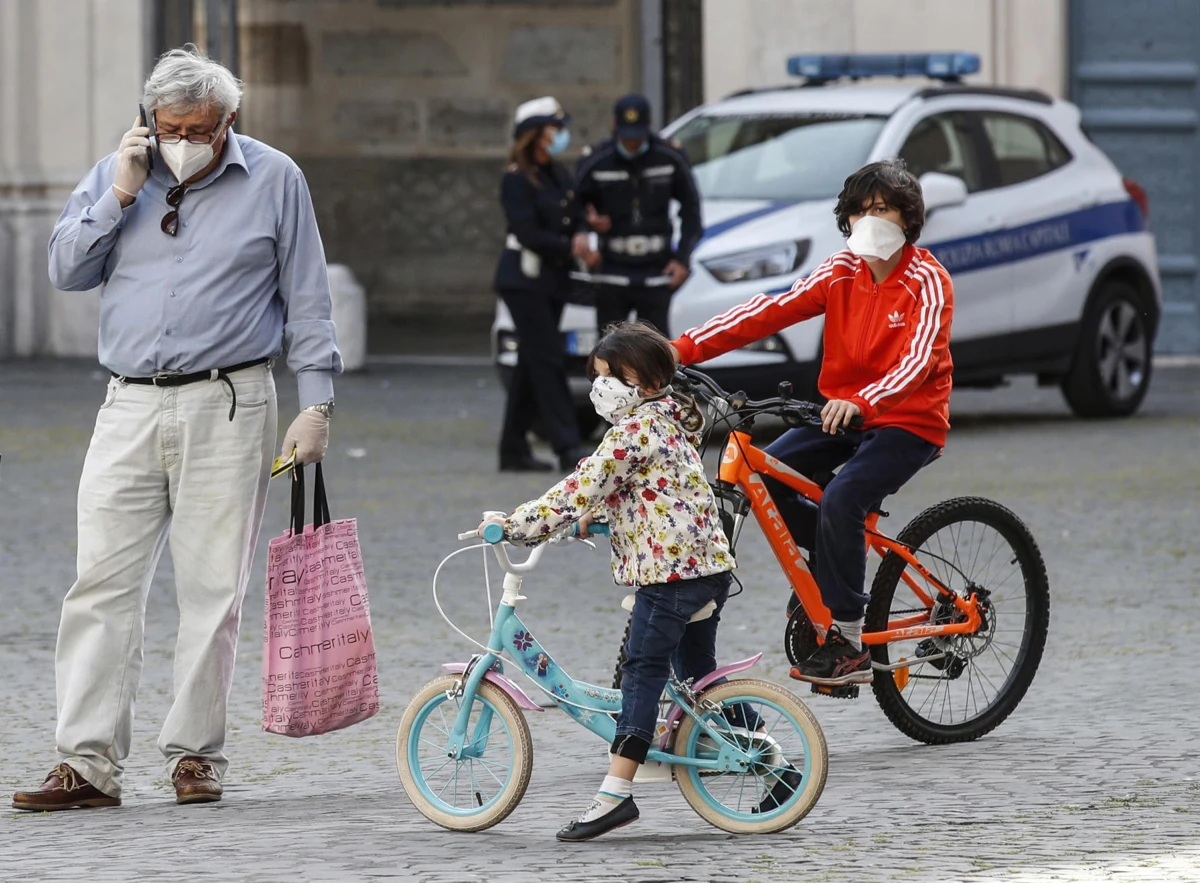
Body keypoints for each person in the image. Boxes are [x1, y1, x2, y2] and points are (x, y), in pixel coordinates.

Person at [11, 46, 341, 812]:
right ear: (145, 120)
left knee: (212, 587)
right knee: (99, 585)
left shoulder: (276, 179)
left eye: (201, 126)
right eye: (169, 125)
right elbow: (65, 269)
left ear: (231, 121)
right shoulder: (114, 173)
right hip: (127, 403)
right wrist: (120, 196)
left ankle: (197, 754)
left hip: (230, 401)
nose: (185, 138)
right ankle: (85, 764)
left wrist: (316, 404)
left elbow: (309, 297)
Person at [670, 159, 954, 686]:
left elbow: (919, 360)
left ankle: (848, 638)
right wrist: (682, 349)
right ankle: (832, 564)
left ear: (908, 219)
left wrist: (866, 400)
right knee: (769, 473)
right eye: (861, 210)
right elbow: (769, 310)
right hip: (841, 412)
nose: (872, 219)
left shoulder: (927, 280)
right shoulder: (841, 270)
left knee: (844, 497)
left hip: (907, 420)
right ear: (846, 218)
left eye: (884, 208)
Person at [479, 322, 736, 841]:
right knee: (697, 674)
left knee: (642, 671)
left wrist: (516, 525)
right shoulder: (670, 418)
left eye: (606, 377)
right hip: (707, 568)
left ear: (638, 380)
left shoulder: (631, 432)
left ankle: (616, 793)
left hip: (670, 575)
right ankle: (767, 762)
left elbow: (579, 488)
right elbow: (648, 489)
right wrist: (596, 518)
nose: (599, 388)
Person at [494, 97, 596, 472]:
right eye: (554, 129)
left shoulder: (556, 172)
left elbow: (573, 213)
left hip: (552, 280)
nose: (560, 136)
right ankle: (568, 446)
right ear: (535, 135)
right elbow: (528, 231)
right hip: (524, 280)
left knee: (530, 362)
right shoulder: (516, 178)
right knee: (548, 360)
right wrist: (570, 244)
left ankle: (512, 448)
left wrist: (585, 231)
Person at [573, 94, 703, 337]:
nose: (631, 143)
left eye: (637, 135)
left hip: (656, 270)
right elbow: (573, 208)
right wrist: (586, 229)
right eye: (626, 135)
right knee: (610, 353)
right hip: (612, 269)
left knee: (654, 355)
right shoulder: (597, 160)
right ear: (614, 125)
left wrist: (682, 259)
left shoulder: (669, 156)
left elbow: (692, 212)